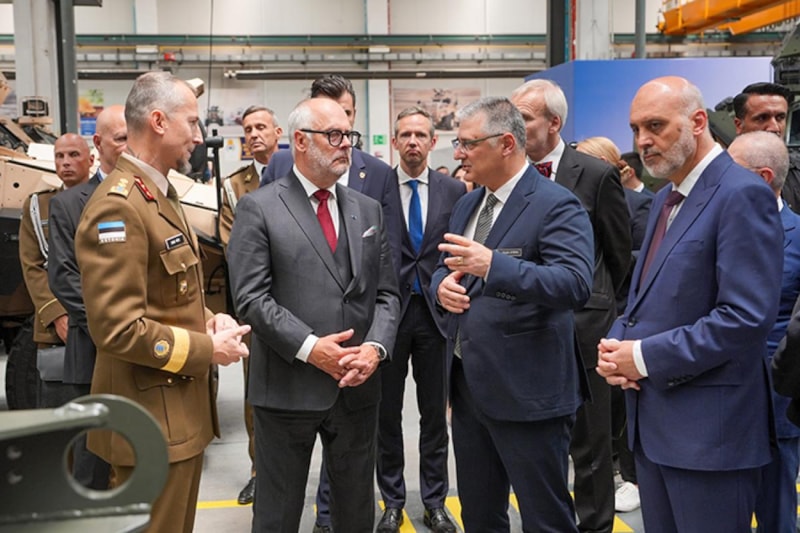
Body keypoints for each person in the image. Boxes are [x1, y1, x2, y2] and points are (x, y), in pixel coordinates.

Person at [597, 76, 783, 533]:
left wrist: (642, 357)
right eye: (636, 129)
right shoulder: (667, 197)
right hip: (656, 429)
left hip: (711, 440)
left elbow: (744, 318)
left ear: (698, 122)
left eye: (655, 126)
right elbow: (647, 297)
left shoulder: (741, 194)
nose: (642, 141)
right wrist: (618, 345)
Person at [74, 71, 250, 533]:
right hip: (149, 422)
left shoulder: (159, 194)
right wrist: (208, 350)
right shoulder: (119, 205)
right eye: (191, 122)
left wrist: (209, 319)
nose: (199, 136)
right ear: (157, 121)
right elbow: (117, 328)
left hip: (176, 417)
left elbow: (170, 293)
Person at [227, 97, 400, 533]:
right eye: (334, 135)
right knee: (278, 514)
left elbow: (386, 293)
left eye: (349, 135)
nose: (347, 145)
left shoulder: (367, 209)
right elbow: (251, 298)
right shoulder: (259, 207)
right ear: (300, 141)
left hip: (356, 387)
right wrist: (310, 347)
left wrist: (375, 349)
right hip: (287, 389)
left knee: (355, 513)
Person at [431, 96, 594, 532]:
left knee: (545, 519)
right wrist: (440, 287)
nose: (459, 154)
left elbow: (574, 283)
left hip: (529, 395)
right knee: (480, 515)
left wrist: (494, 266)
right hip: (469, 389)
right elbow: (444, 266)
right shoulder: (468, 205)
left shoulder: (555, 204)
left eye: (468, 144)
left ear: (506, 144)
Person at [511, 79, 631, 533]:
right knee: (536, 445)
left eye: (524, 118)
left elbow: (618, 255)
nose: (515, 126)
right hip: (524, 329)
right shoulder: (508, 174)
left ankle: (595, 526)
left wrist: (600, 308)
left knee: (591, 444)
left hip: (584, 332)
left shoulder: (595, 175)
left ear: (554, 123)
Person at [374, 107, 464, 533]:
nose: (413, 141)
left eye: (420, 135)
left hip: (436, 316)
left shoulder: (453, 190)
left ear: (433, 141)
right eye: (405, 134)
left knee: (434, 416)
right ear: (394, 142)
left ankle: (435, 502)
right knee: (386, 415)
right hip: (388, 315)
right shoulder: (376, 187)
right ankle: (392, 502)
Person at [47, 106, 126, 490]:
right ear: (99, 144)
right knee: (92, 458)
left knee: (139, 452)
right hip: (95, 347)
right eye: (121, 138)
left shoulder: (147, 196)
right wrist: (113, 327)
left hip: (143, 349)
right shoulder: (69, 204)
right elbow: (63, 277)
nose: (128, 146)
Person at [727, 130, 800, 533]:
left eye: (730, 170)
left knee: (776, 509)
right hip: (714, 398)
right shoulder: (711, 227)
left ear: (763, 177)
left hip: (775, 400)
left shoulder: (799, 235)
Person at [217, 104, 283, 506]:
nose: (254, 134)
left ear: (279, 132)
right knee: (256, 390)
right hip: (256, 304)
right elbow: (235, 246)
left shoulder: (299, 173)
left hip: (304, 301)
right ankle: (259, 471)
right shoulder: (233, 187)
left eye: (261, 127)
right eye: (248, 129)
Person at [19, 133, 93, 409]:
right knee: (62, 407)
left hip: (105, 315)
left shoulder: (107, 199)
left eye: (74, 155)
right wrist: (57, 315)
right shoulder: (38, 206)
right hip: (58, 329)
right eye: (59, 156)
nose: (66, 162)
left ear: (91, 159)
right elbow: (32, 265)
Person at [732, 81, 800, 212]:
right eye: (762, 118)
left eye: (780, 118)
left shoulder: (797, 173)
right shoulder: (718, 176)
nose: (774, 127)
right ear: (739, 125)